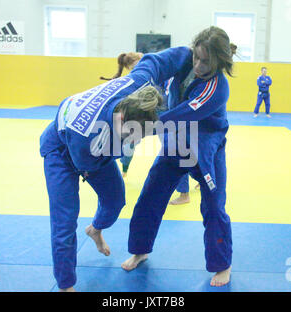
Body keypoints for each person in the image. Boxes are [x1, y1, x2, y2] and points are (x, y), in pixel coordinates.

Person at [40, 46, 193, 292]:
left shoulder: (138, 83)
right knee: (65, 220)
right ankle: (65, 285)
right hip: (62, 149)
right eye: (133, 136)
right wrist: (118, 147)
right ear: (121, 119)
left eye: (140, 136)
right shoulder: (88, 135)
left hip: (96, 142)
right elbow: (86, 165)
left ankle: (95, 230)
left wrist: (193, 53)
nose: (136, 142)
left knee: (115, 201)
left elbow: (158, 60)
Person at [121, 26, 237, 287]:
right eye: (196, 57)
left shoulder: (218, 87)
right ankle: (140, 249)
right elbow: (155, 62)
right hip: (175, 145)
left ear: (219, 61)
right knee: (150, 195)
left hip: (205, 149)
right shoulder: (183, 57)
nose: (198, 64)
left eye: (206, 61)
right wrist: (136, 81)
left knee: (214, 207)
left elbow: (185, 112)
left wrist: (144, 125)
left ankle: (222, 264)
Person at [102, 52, 197, 202]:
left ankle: (185, 193)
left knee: (176, 149)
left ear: (142, 59)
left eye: (139, 65)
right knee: (129, 141)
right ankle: (124, 168)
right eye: (133, 68)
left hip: (165, 115)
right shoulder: (139, 78)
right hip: (148, 117)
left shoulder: (159, 72)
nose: (139, 69)